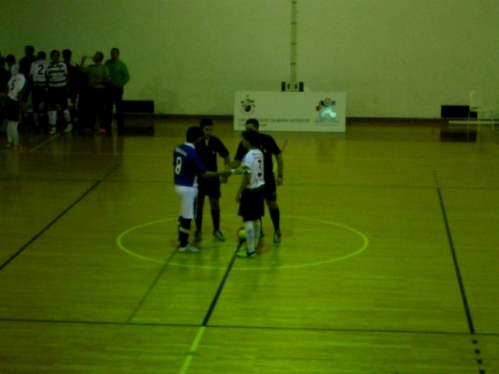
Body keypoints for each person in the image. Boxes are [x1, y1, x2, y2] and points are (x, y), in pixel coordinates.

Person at [174, 126, 232, 253]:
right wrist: (221, 173)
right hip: (189, 187)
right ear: (196, 138)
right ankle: (184, 245)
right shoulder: (193, 153)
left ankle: (180, 238)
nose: (202, 138)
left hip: (178, 184)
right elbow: (204, 174)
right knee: (187, 217)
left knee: (182, 214)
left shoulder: (178, 148)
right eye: (200, 136)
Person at [231, 118, 284, 243]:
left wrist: (280, 174)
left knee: (272, 204)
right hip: (254, 180)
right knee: (256, 207)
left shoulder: (267, 139)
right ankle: (259, 232)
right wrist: (227, 168)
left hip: (268, 178)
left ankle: (277, 230)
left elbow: (279, 157)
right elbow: (237, 162)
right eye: (246, 129)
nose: (248, 132)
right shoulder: (244, 143)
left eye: (251, 129)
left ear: (257, 128)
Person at [194, 118, 231, 242]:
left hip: (213, 178)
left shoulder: (215, 141)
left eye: (210, 129)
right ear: (201, 130)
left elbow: (226, 155)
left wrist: (225, 173)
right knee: (199, 204)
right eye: (206, 130)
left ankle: (216, 230)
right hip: (199, 179)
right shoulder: (196, 143)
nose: (209, 132)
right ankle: (198, 230)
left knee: (215, 203)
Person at [234, 130, 265, 258]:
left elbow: (246, 177)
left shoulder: (248, 156)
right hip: (260, 188)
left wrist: (238, 192)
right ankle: (256, 245)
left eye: (243, 140)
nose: (242, 142)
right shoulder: (259, 153)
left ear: (247, 141)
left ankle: (250, 250)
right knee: (257, 219)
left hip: (250, 190)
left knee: (247, 220)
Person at [80, 52, 111, 134]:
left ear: (100, 58)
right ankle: (90, 126)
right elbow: (82, 70)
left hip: (100, 91)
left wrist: (99, 81)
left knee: (101, 110)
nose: (93, 56)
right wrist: (82, 60)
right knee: (91, 109)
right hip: (91, 90)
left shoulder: (104, 68)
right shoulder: (91, 67)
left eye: (96, 55)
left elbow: (108, 80)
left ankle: (103, 127)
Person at [45, 50, 73, 135]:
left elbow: (67, 76)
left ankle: (69, 124)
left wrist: (66, 87)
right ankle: (53, 127)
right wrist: (48, 88)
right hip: (52, 89)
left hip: (61, 89)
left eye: (57, 55)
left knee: (64, 107)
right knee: (53, 108)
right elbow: (47, 77)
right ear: (51, 57)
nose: (56, 57)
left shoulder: (63, 65)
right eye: (54, 55)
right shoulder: (48, 66)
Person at [104, 48, 130, 134]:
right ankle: (107, 124)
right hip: (108, 88)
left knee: (119, 108)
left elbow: (127, 77)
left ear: (118, 54)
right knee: (108, 107)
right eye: (112, 53)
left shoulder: (122, 65)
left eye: (115, 53)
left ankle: (121, 125)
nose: (113, 54)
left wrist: (120, 84)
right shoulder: (107, 63)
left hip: (117, 89)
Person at [4, 71, 27, 148]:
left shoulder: (13, 76)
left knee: (10, 122)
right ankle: (16, 143)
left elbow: (7, 87)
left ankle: (9, 142)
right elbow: (20, 93)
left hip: (8, 100)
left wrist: (7, 99)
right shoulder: (23, 79)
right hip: (15, 102)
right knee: (14, 124)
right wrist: (23, 103)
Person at [29, 51, 48, 131]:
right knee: (45, 105)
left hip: (36, 86)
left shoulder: (33, 64)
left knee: (35, 106)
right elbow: (48, 74)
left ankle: (36, 124)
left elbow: (30, 75)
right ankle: (45, 124)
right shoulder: (47, 64)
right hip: (44, 86)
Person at [0, 56, 11, 135]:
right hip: (3, 94)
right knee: (4, 112)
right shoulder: (6, 73)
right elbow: (9, 85)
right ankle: (3, 129)